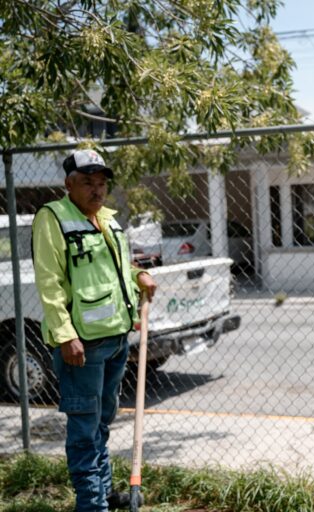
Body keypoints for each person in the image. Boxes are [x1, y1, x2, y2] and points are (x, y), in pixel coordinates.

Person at [32, 149, 157, 512]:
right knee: (85, 432)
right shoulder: (53, 219)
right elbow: (50, 282)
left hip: (116, 340)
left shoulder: (107, 219)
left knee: (101, 424)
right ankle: (92, 505)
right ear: (68, 184)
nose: (97, 190)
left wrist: (139, 275)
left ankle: (102, 493)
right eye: (88, 182)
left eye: (101, 183)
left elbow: (114, 269)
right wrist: (65, 335)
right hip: (82, 346)